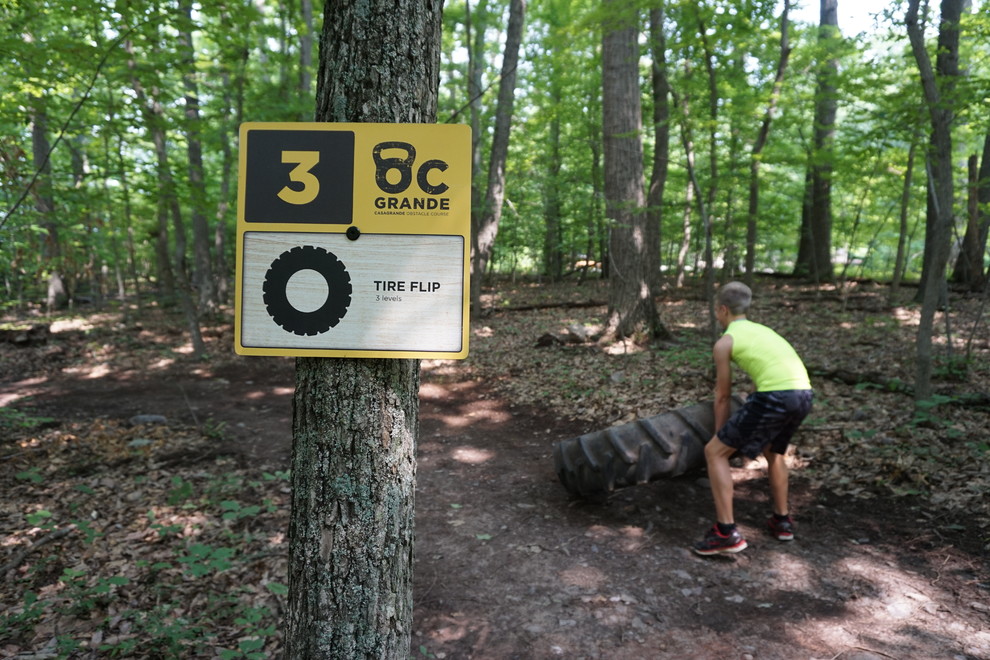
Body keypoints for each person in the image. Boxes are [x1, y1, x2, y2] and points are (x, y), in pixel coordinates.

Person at [692, 281, 813, 556]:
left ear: (723, 309)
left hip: (776, 396)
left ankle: (725, 533)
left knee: (714, 453)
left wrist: (720, 436)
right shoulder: (765, 332)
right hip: (804, 394)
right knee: (774, 451)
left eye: (716, 310)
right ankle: (782, 522)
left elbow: (723, 395)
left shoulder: (725, 341)